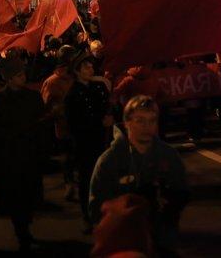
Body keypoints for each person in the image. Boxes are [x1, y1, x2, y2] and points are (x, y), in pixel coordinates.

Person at [90, 96, 189, 257]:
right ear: (127, 122)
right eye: (140, 121)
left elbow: (182, 191)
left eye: (152, 121)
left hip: (162, 238)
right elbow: (96, 205)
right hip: (124, 243)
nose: (147, 127)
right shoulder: (110, 160)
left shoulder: (168, 155)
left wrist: (166, 201)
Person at [0, 56, 47, 252]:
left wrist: (43, 151)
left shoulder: (33, 98)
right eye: (18, 74)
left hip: (30, 156)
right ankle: (22, 232)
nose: (23, 77)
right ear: (9, 78)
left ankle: (25, 226)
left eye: (23, 73)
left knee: (29, 196)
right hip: (9, 158)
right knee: (15, 197)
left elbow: (41, 127)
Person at [65, 52, 113, 233]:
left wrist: (110, 115)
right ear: (77, 71)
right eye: (86, 66)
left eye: (91, 66)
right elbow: (74, 124)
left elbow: (107, 106)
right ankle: (89, 215)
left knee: (106, 179)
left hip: (103, 142)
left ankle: (107, 213)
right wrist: (98, 122)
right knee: (88, 181)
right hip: (85, 145)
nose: (91, 68)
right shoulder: (72, 95)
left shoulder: (99, 86)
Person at [40, 44, 79, 201]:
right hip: (67, 124)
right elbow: (47, 105)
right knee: (69, 155)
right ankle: (71, 183)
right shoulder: (54, 81)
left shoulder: (75, 77)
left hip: (71, 124)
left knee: (70, 156)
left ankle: (71, 182)